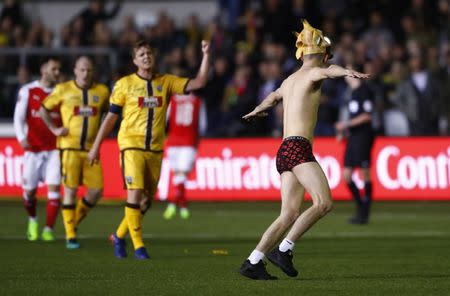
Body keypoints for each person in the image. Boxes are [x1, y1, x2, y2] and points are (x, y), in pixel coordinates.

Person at [239, 20, 370, 280]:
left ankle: (253, 261)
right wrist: (347, 72)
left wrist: (257, 110)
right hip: (298, 147)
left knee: (288, 213)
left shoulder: (289, 80)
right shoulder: (314, 72)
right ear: (322, 53)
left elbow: (274, 96)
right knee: (324, 203)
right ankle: (284, 249)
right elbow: (328, 71)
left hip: (284, 149)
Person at [88, 39, 210, 259]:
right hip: (131, 146)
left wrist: (206, 55)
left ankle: (118, 235)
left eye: (149, 53)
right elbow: (110, 119)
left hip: (154, 149)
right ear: (135, 60)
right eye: (141, 54)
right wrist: (96, 146)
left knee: (145, 201)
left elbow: (199, 82)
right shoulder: (124, 84)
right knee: (134, 194)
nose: (146, 57)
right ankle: (138, 247)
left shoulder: (166, 82)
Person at [40, 56, 110, 249]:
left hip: (91, 149)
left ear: (93, 71)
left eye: (89, 70)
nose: (85, 73)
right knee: (70, 189)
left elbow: (109, 113)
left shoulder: (102, 91)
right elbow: (44, 108)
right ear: (75, 70)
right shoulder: (63, 89)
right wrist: (54, 129)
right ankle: (71, 235)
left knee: (96, 191)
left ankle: (74, 220)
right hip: (69, 148)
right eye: (82, 70)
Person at [13, 57, 62, 242]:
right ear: (44, 69)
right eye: (53, 69)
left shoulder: (61, 92)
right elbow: (18, 117)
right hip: (33, 150)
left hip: (54, 150)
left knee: (55, 190)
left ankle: (48, 229)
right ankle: (32, 220)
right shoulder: (28, 91)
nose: (57, 72)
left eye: (59, 69)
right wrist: (21, 138)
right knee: (29, 193)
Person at [335, 64, 375, 224]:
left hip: (364, 136)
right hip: (353, 137)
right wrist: (343, 132)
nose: (346, 74)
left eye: (349, 71)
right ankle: (360, 207)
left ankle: (364, 212)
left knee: (365, 173)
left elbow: (367, 116)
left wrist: (345, 125)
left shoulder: (365, 91)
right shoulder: (351, 94)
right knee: (346, 176)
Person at [163, 92, 206, 220]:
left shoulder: (172, 100)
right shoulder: (198, 101)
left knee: (178, 176)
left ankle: (177, 206)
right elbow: (203, 125)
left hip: (173, 141)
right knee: (181, 176)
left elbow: (165, 120)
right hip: (189, 141)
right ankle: (180, 205)